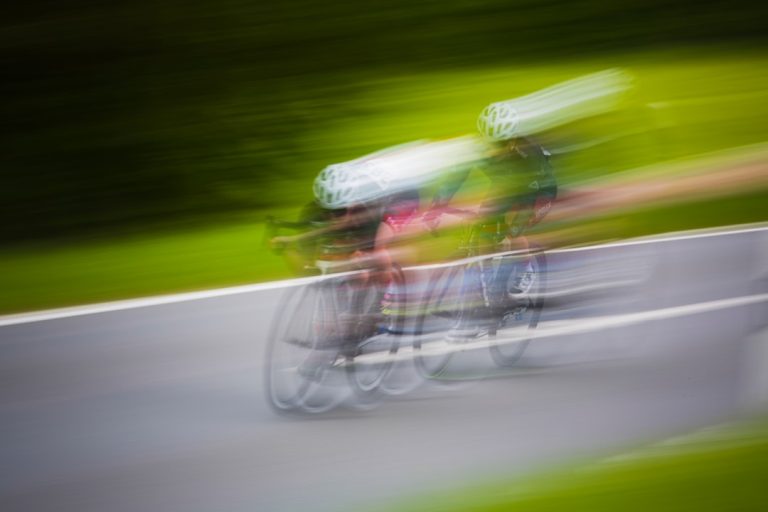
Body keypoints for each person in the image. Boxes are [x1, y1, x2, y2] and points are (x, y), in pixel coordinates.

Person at [425, 102, 558, 321]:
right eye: (492, 143)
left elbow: (544, 185)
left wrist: (526, 213)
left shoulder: (528, 151)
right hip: (503, 187)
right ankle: (480, 293)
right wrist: (437, 206)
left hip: (536, 189)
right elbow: (457, 176)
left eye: (502, 143)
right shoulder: (479, 151)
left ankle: (523, 269)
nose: (495, 148)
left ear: (513, 140)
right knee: (483, 230)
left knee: (512, 230)